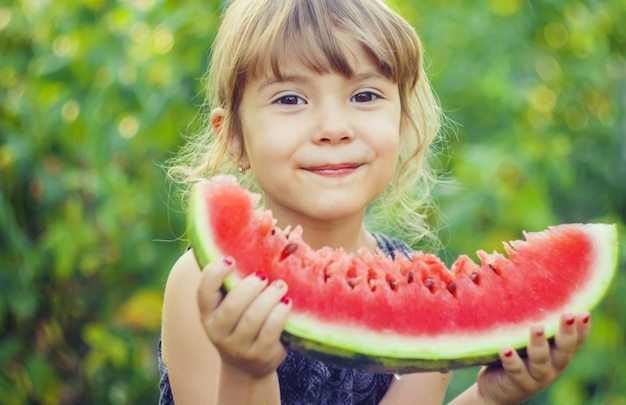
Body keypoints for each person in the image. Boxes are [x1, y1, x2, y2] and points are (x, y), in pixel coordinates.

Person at [159, 0, 591, 403]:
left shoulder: (419, 292)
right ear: (233, 136)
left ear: (402, 123)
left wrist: (488, 395)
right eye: (290, 99)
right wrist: (245, 372)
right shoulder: (207, 282)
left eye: (364, 96)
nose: (334, 127)